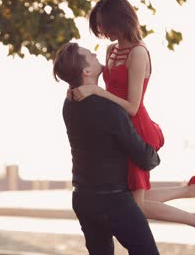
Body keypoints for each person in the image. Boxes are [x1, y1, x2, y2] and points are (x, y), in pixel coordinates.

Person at [69, 0, 195, 248]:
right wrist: (81, 89)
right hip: (118, 131)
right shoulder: (111, 50)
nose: (103, 33)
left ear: (120, 20)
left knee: (136, 206)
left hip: (136, 129)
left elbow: (132, 106)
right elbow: (98, 88)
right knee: (131, 199)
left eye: (105, 27)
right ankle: (194, 190)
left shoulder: (139, 53)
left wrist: (96, 91)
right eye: (99, 28)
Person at [54, 42, 160, 254]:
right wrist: (155, 152)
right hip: (112, 200)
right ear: (87, 71)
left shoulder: (69, 103)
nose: (95, 53)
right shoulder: (110, 109)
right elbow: (144, 157)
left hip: (83, 198)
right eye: (89, 54)